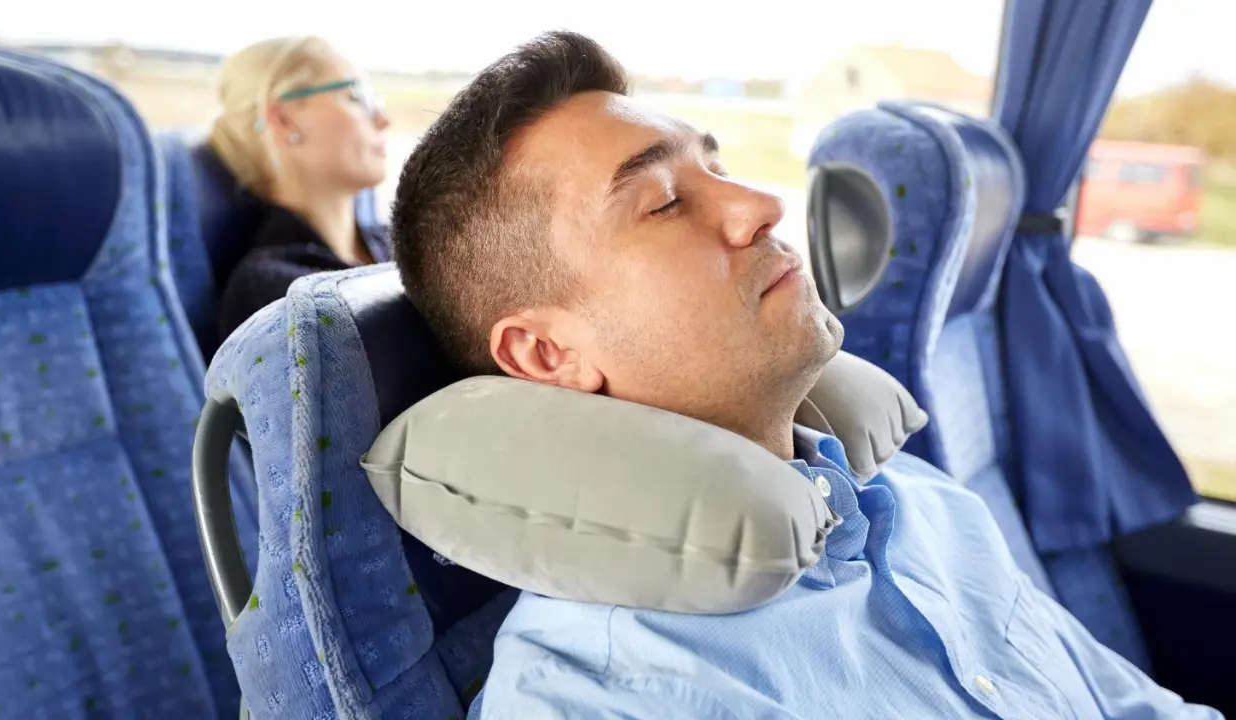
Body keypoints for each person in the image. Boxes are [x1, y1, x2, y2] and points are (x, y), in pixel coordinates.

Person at [390, 31, 1221, 720]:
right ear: (548, 357)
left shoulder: (919, 500)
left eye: (715, 166)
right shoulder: (604, 697)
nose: (760, 203)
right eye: (664, 203)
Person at [211, 35, 391, 342]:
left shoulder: (392, 242)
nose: (384, 120)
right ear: (284, 120)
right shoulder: (279, 294)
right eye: (356, 97)